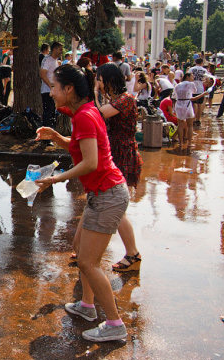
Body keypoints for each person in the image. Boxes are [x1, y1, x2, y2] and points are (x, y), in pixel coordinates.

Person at [35, 64, 129, 342]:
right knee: (80, 249)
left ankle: (114, 323)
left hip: (109, 194)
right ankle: (87, 307)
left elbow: (91, 162)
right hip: (101, 194)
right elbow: (81, 148)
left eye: (54, 87)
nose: (51, 92)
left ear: (69, 89)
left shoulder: (86, 116)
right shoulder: (83, 114)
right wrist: (57, 137)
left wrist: (55, 179)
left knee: (88, 262)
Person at [94, 63, 143, 272]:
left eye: (99, 79)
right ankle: (88, 247)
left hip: (122, 154)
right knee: (104, 203)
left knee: (116, 207)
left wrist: (95, 93)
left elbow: (97, 114)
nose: (97, 83)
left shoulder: (125, 100)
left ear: (108, 79)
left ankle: (132, 253)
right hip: (114, 153)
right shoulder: (117, 100)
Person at [174, 71, 207, 151]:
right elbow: (194, 94)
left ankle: (181, 143)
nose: (193, 78)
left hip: (178, 104)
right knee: (190, 125)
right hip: (187, 104)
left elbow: (175, 96)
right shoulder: (190, 84)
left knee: (180, 125)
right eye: (192, 76)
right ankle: (189, 143)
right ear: (188, 77)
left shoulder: (177, 85)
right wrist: (203, 94)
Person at [40, 41, 63, 127]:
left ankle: (50, 134)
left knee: (52, 113)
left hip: (54, 92)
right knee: (48, 114)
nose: (61, 52)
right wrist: (51, 86)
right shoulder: (47, 59)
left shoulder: (56, 61)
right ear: (54, 49)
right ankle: (45, 138)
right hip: (47, 91)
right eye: (60, 49)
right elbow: (42, 74)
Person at [188, 57, 207, 126]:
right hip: (200, 88)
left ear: (195, 62)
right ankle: (198, 119)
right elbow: (207, 80)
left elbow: (188, 77)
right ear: (202, 63)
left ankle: (192, 119)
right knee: (199, 105)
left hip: (192, 88)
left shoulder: (191, 69)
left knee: (193, 104)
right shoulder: (204, 70)